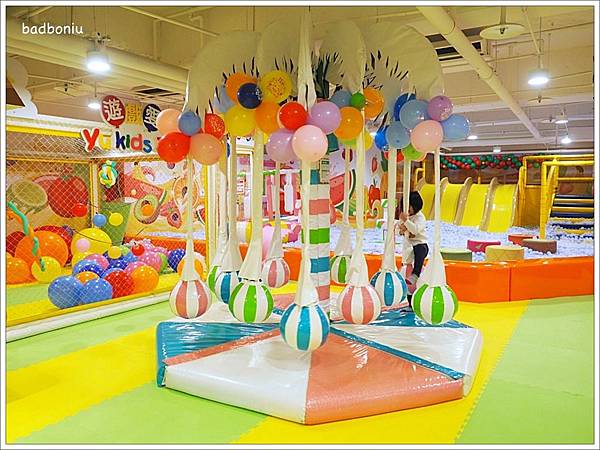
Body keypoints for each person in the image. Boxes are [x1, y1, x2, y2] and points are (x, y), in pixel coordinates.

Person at [396, 191, 428, 287]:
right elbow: (398, 229)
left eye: (409, 207)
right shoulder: (405, 217)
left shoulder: (420, 217)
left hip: (420, 244)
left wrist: (406, 221)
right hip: (409, 245)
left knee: (420, 250)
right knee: (407, 253)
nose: (407, 210)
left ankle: (415, 274)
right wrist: (401, 230)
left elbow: (415, 230)